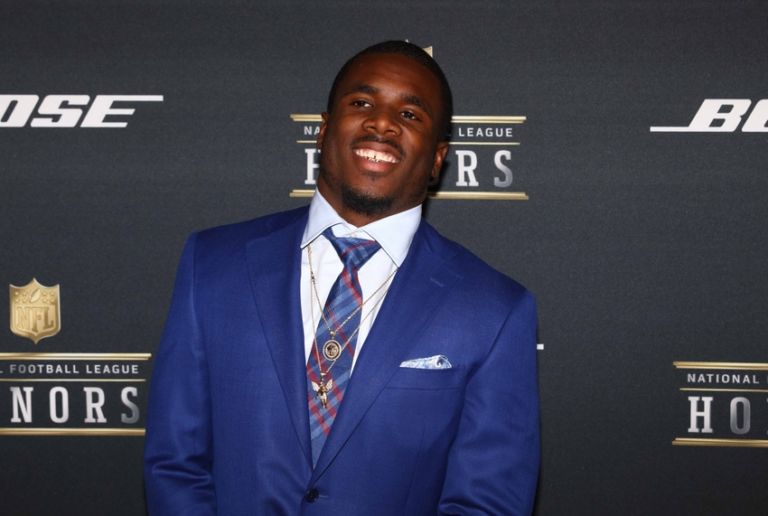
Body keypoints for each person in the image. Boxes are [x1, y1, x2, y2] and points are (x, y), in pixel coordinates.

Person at [144, 40, 540, 515]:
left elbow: (487, 502)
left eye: (410, 114)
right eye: (362, 103)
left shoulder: (494, 310)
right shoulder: (212, 263)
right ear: (323, 130)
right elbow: (176, 463)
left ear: (438, 159)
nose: (382, 123)